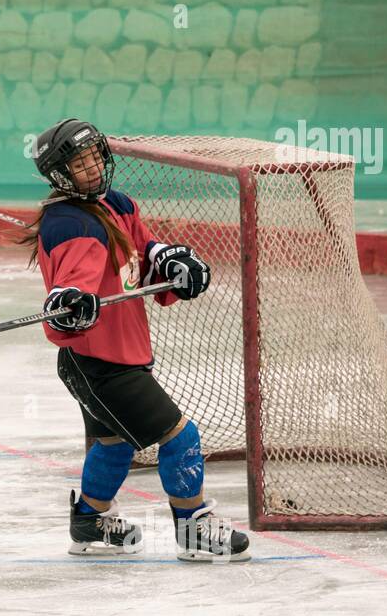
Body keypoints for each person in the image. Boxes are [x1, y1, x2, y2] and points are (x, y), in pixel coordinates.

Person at [22, 118, 249, 562]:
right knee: (180, 436)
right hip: (97, 364)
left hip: (120, 354)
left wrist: (172, 268)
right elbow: (68, 292)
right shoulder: (69, 224)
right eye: (78, 163)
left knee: (114, 444)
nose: (90, 168)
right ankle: (194, 527)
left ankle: (90, 523)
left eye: (93, 157)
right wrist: (70, 305)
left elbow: (141, 260)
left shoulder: (119, 205)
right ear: (60, 174)